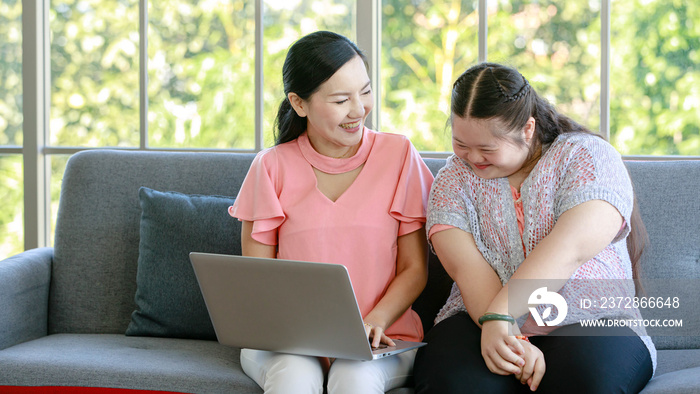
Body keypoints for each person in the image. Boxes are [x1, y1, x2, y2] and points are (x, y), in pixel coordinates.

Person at [413, 62, 656, 393]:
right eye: (461, 144)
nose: (472, 157)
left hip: (591, 319)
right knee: (456, 384)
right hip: (476, 316)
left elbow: (569, 250)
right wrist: (500, 328)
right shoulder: (453, 180)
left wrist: (501, 315)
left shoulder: (589, 157)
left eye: (486, 148)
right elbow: (467, 268)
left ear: (527, 129)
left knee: (584, 382)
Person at [228, 31, 434, 394]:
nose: (359, 109)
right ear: (299, 103)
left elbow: (414, 268)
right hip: (287, 343)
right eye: (341, 100)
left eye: (365, 91)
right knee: (293, 378)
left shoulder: (399, 156)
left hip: (384, 336)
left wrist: (374, 321)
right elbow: (258, 279)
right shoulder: (271, 167)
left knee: (353, 379)